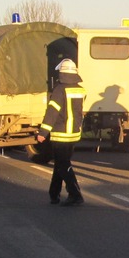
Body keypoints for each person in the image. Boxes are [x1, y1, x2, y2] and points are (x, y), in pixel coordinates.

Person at [36, 58, 86, 205]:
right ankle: (54, 194)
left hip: (61, 134)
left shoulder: (59, 90)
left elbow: (52, 113)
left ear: (62, 73)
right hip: (74, 133)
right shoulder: (80, 90)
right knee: (60, 164)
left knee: (63, 165)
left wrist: (42, 133)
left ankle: (75, 195)